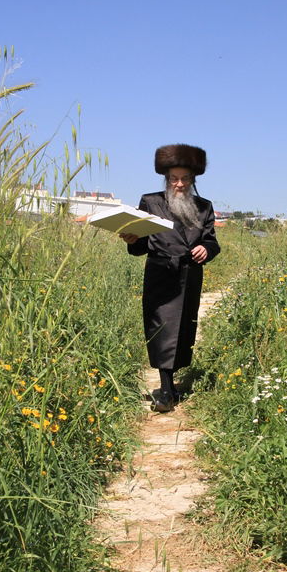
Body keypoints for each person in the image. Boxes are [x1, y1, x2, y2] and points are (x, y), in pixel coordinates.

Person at [120, 144, 222, 412]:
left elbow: (212, 242)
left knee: (184, 329)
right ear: (166, 179)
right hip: (161, 273)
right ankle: (166, 390)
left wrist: (206, 249)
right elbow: (140, 247)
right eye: (174, 178)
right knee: (161, 328)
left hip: (190, 275)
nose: (179, 184)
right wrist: (132, 240)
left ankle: (172, 385)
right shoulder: (150, 202)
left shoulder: (204, 207)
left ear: (193, 179)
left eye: (185, 179)